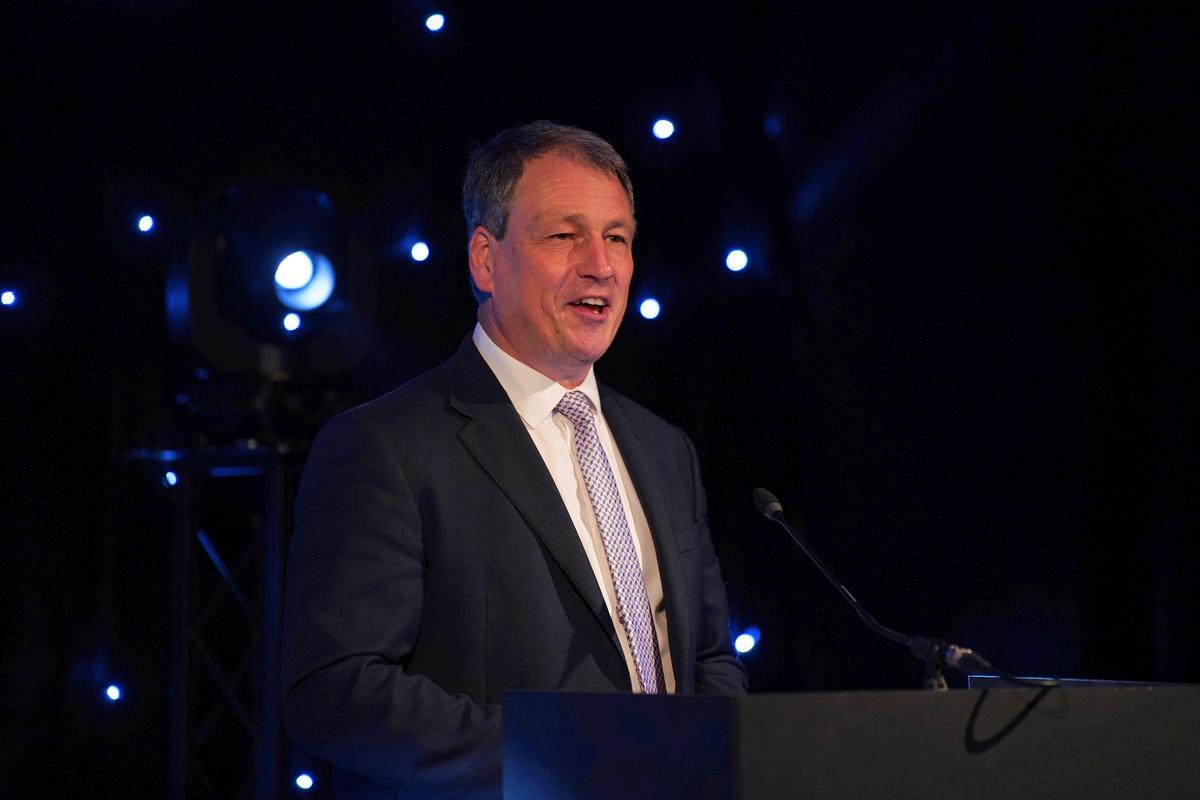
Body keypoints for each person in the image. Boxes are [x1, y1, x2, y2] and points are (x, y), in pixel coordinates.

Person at [282, 121, 747, 799]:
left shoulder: (665, 448)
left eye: (617, 237)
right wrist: (563, 758)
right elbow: (335, 690)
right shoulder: (385, 446)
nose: (601, 265)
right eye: (564, 236)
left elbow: (709, 656)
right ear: (485, 259)